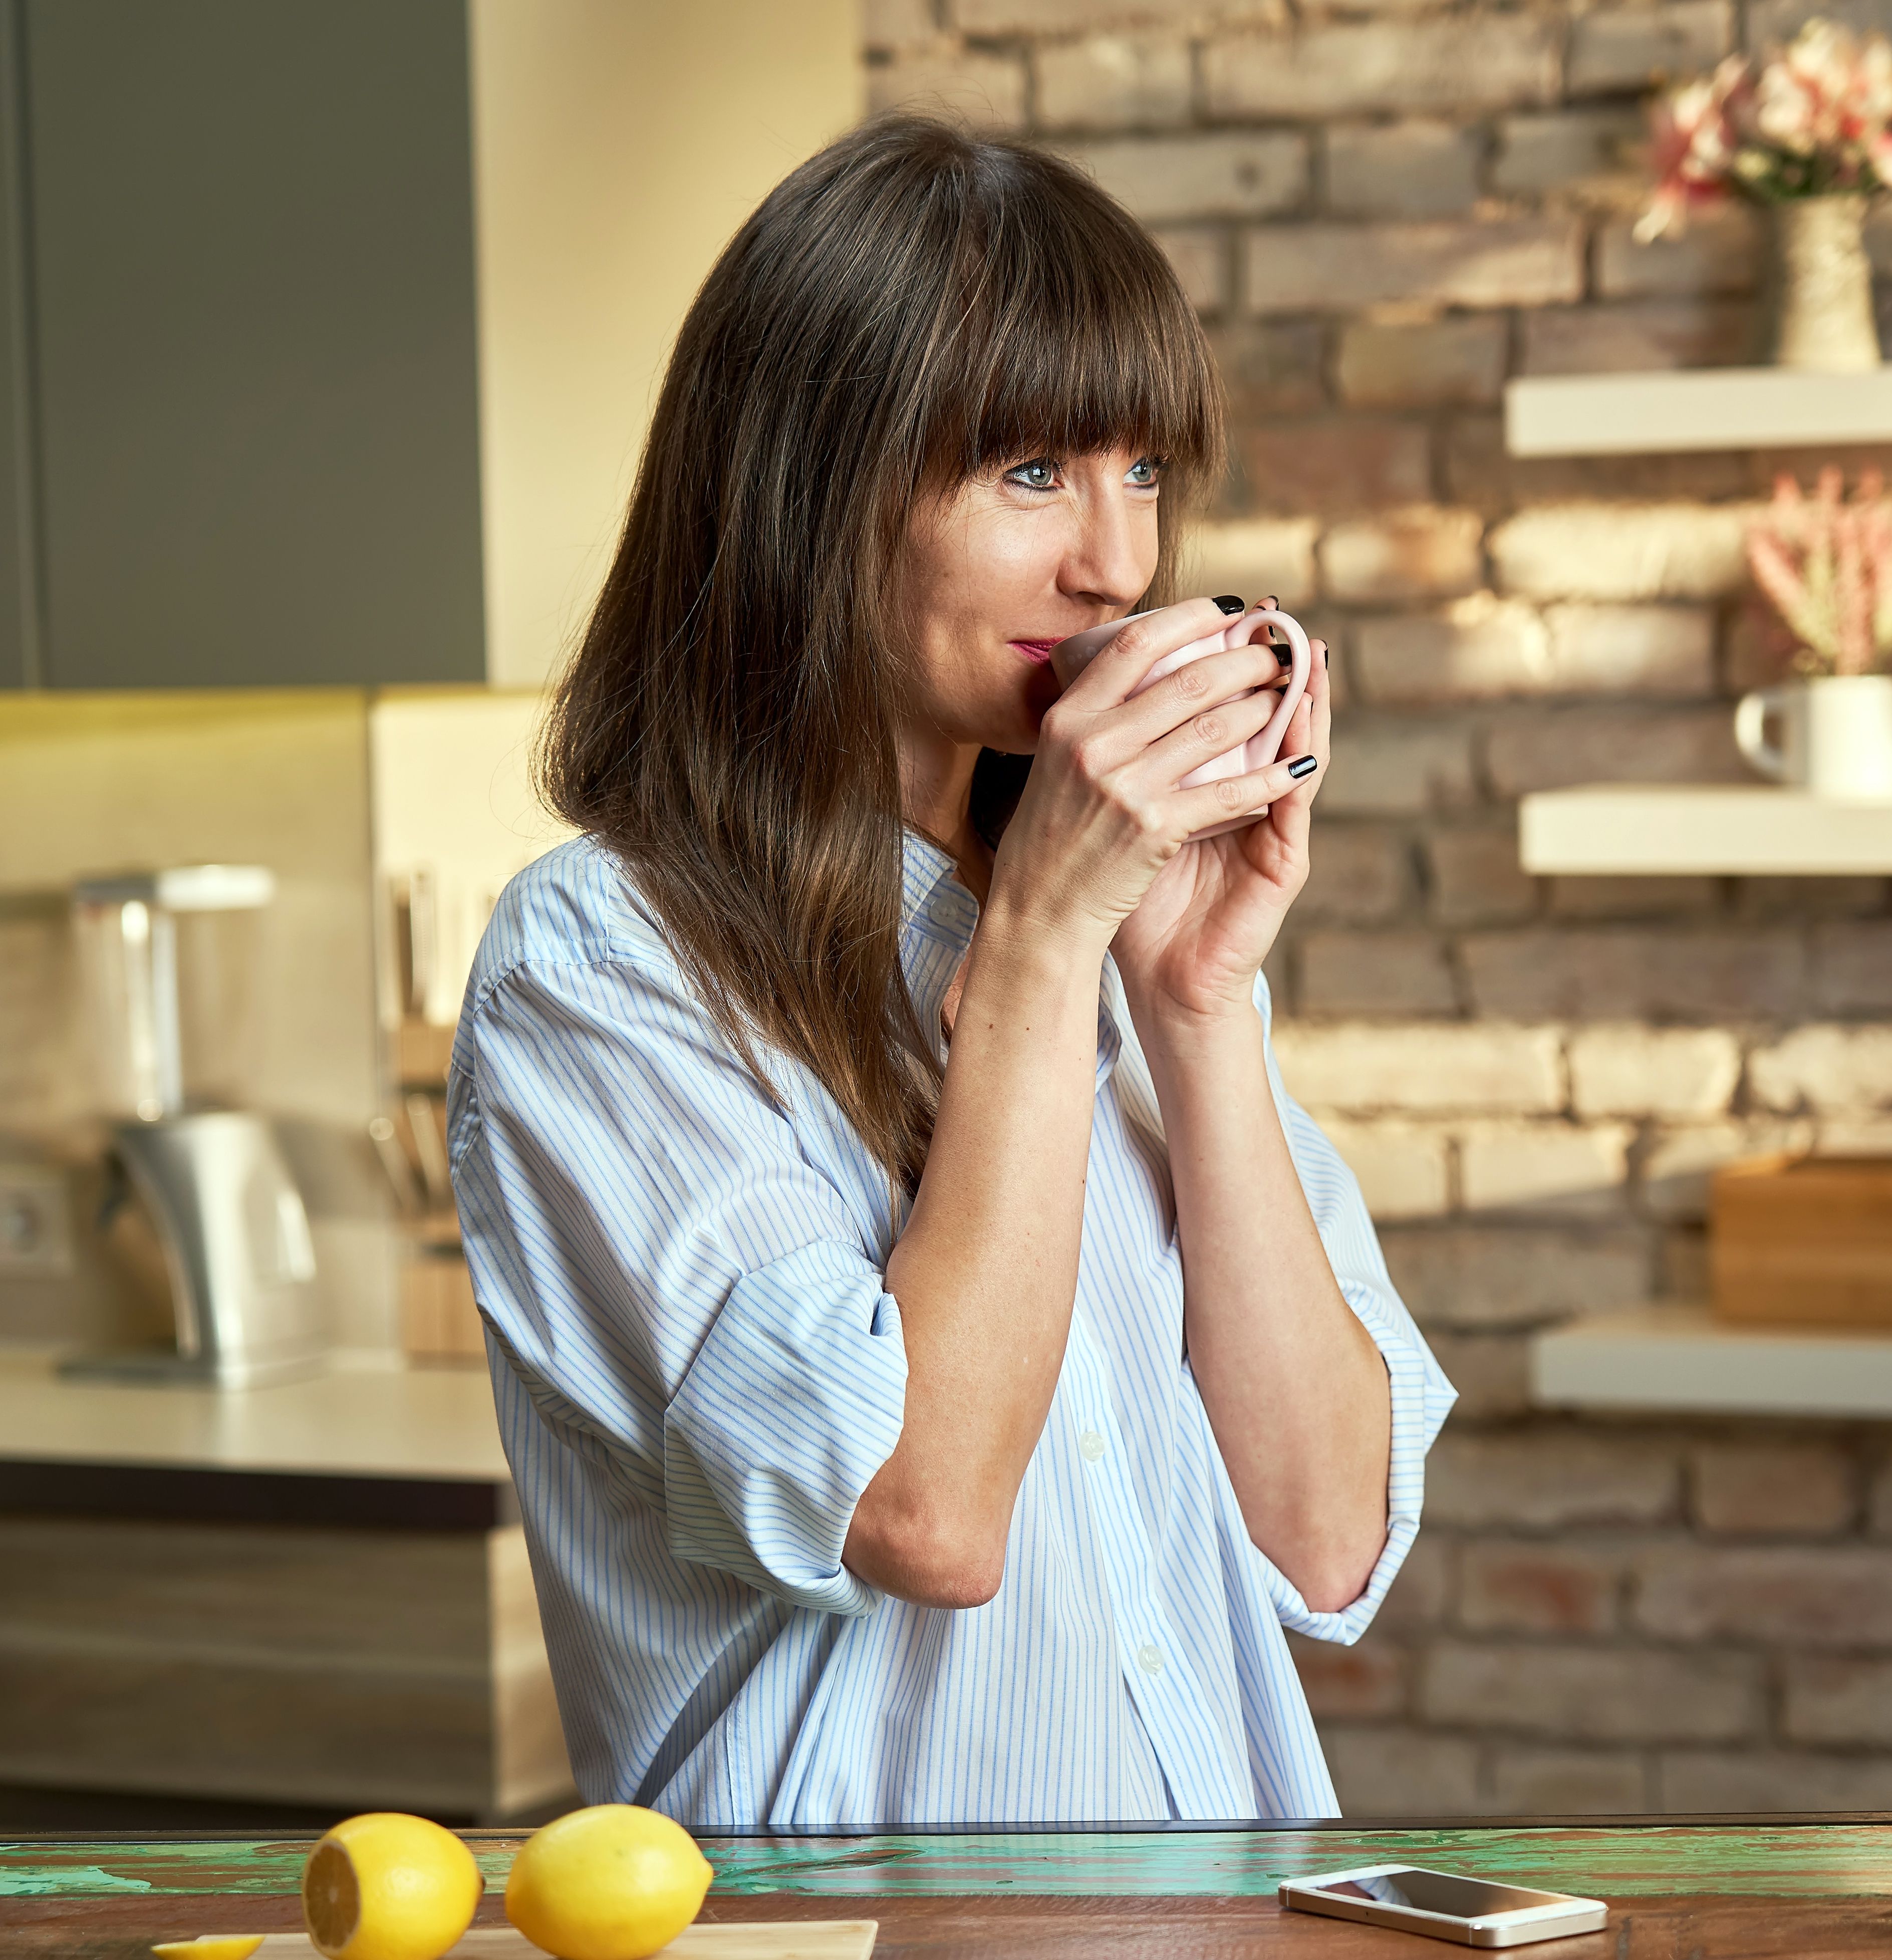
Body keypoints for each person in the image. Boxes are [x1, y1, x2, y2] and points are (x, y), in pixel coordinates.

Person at [448, 114, 1454, 1828]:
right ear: (811, 488)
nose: (1117, 564)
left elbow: (1328, 1534)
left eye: (1142, 474)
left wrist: (1200, 1012)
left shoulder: (1118, 921)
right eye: (1032, 474)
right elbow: (921, 1511)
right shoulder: (604, 965)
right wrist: (1051, 944)